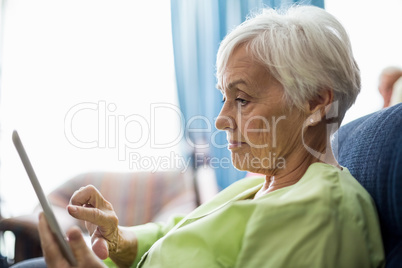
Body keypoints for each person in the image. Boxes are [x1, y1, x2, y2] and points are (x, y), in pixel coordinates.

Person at [14, 5, 385, 268]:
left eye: (242, 99)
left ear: (316, 103)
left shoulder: (318, 211)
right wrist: (116, 236)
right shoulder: (262, 185)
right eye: (225, 98)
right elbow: (176, 230)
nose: (221, 119)